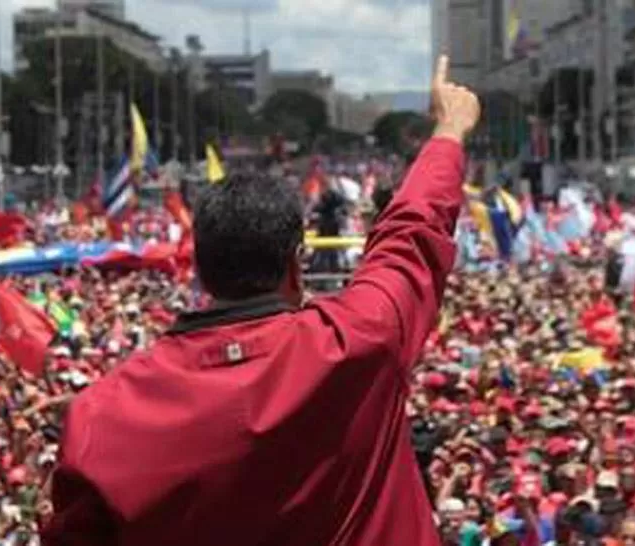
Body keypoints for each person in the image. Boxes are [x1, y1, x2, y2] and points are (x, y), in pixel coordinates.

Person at [41, 55, 480, 546]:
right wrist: (448, 133)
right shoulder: (360, 341)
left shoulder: (102, 414)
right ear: (297, 266)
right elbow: (410, 238)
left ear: (198, 269)